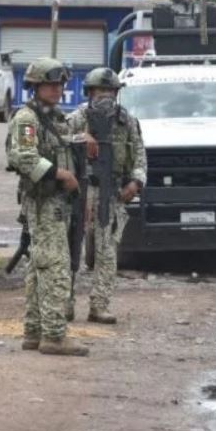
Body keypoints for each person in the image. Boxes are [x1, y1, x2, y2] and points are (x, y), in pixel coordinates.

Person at [6, 57, 88, 356]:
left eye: (60, 84)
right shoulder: (27, 119)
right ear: (36, 86)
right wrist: (60, 173)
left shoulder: (52, 118)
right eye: (50, 84)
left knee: (38, 267)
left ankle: (34, 331)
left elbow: (62, 141)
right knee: (55, 267)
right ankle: (54, 335)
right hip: (43, 202)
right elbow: (22, 156)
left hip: (56, 202)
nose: (57, 89)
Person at [67, 68, 146, 325]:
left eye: (111, 91)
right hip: (81, 191)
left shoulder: (127, 121)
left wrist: (135, 183)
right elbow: (56, 140)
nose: (106, 96)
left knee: (107, 252)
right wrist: (81, 137)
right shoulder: (78, 117)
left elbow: (140, 157)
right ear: (89, 93)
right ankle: (64, 303)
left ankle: (99, 305)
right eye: (101, 91)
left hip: (112, 194)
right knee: (71, 248)